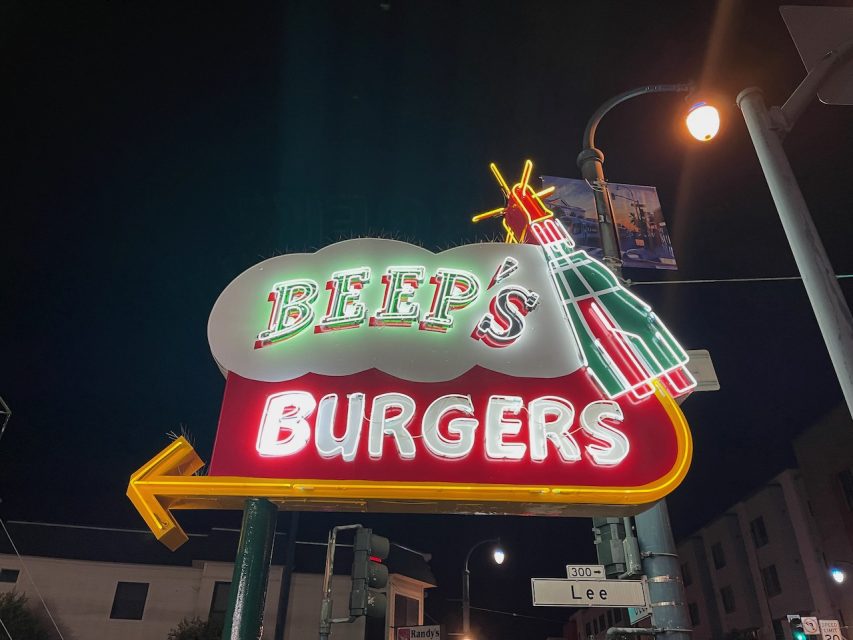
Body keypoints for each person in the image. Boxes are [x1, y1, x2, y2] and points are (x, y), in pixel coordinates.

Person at [473, 161, 695, 400]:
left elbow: (544, 232)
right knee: (597, 338)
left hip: (570, 272)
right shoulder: (538, 246)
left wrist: (527, 216)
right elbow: (538, 236)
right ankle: (642, 389)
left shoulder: (545, 237)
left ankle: (665, 380)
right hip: (563, 278)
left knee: (629, 323)